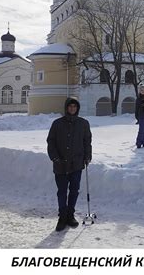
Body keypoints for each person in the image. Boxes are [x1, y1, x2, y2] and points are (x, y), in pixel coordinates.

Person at [47, 98, 92, 232]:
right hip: (60, 164)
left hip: (76, 164)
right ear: (66, 108)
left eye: (74, 107)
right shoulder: (57, 124)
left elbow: (87, 141)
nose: (72, 109)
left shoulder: (83, 123)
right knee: (62, 192)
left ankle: (70, 215)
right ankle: (62, 217)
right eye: (70, 106)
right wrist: (55, 158)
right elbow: (51, 142)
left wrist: (87, 156)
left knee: (74, 191)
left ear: (77, 108)